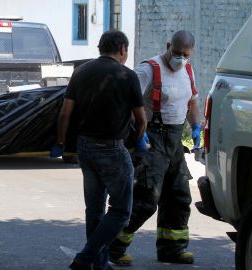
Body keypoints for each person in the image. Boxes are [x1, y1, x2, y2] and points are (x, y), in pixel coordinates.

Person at [52, 30, 147, 270]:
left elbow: (65, 113)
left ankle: (99, 263)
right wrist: (139, 141)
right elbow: (141, 119)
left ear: (100, 48)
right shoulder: (128, 76)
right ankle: (86, 258)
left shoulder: (81, 72)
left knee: (94, 210)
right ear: (123, 49)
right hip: (113, 148)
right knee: (121, 211)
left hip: (85, 147)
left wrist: (61, 143)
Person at [109, 30, 200, 265]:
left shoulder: (187, 70)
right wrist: (137, 134)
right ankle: (113, 247)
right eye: (177, 53)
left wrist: (197, 126)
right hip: (152, 138)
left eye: (185, 54)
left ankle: (172, 249)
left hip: (175, 139)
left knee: (179, 196)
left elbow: (191, 102)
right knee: (146, 198)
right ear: (168, 45)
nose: (181, 58)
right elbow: (127, 103)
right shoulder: (148, 69)